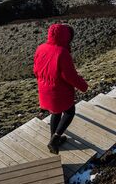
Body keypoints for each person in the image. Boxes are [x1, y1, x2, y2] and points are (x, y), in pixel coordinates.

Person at [33, 23, 88, 154]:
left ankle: (54, 138)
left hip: (44, 89)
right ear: (66, 37)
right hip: (59, 91)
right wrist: (83, 86)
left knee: (55, 112)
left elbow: (35, 70)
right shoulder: (62, 53)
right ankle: (55, 139)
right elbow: (70, 76)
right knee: (69, 112)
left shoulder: (41, 48)